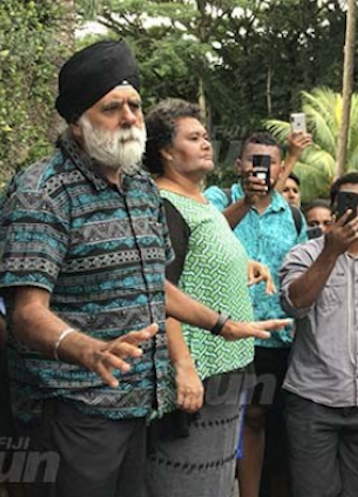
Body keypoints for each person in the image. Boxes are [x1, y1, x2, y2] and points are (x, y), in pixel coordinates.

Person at [0, 40, 285, 497]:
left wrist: (220, 325)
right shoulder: (42, 192)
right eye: (113, 108)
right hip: (73, 409)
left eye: (134, 105)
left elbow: (153, 283)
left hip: (138, 407)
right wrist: (88, 350)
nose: (131, 118)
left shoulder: (138, 187)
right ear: (78, 122)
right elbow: (27, 312)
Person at [143, 99, 276, 497]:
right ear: (166, 151)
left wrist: (242, 264)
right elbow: (159, 291)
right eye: (194, 137)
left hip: (225, 370)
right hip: (197, 373)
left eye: (205, 136)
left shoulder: (197, 201)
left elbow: (205, 252)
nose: (206, 144)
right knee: (187, 477)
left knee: (217, 478)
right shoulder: (165, 205)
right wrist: (182, 366)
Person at [280, 172, 358, 497]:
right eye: (345, 201)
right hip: (312, 401)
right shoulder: (304, 255)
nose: (353, 209)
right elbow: (295, 304)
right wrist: (330, 251)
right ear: (334, 206)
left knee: (357, 492)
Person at [204, 132, 307, 497]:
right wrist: (246, 200)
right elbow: (206, 238)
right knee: (221, 421)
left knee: (264, 420)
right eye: (252, 161)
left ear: (280, 169)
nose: (258, 169)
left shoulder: (293, 216)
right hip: (220, 333)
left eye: (268, 162)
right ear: (238, 165)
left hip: (276, 337)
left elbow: (300, 276)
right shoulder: (218, 199)